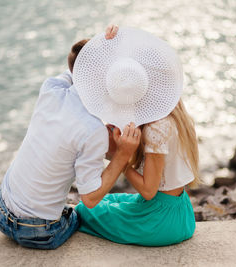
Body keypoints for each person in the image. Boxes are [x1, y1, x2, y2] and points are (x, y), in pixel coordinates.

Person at [0, 25, 142, 250]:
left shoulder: (51, 89)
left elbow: (79, 66)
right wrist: (122, 155)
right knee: (81, 213)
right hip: (39, 232)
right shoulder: (93, 131)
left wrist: (103, 45)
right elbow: (90, 199)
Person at [73, 26, 199, 246]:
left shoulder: (155, 130)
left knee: (84, 210)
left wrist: (123, 159)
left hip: (159, 222)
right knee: (111, 199)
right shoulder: (172, 110)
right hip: (180, 211)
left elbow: (149, 191)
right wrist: (106, 45)